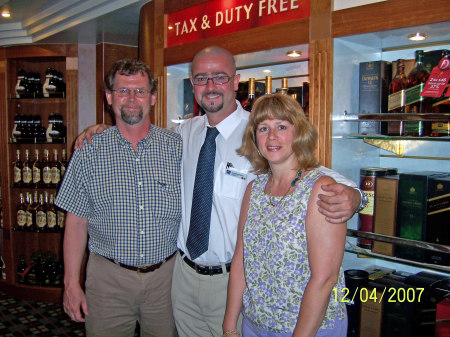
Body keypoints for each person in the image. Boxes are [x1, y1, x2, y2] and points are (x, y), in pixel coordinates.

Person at [74, 46, 363, 337]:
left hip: (233, 281)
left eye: (220, 77)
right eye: (201, 78)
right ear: (193, 85)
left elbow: (312, 171)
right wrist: (102, 129)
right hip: (182, 277)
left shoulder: (262, 132)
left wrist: (355, 195)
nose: (210, 86)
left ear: (236, 82)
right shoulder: (183, 134)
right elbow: (137, 132)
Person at [56, 59, 181, 337]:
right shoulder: (88, 151)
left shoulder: (177, 148)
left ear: (153, 97)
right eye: (123, 91)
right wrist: (71, 284)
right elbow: (75, 224)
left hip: (168, 279)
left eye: (139, 91)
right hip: (106, 279)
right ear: (110, 97)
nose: (132, 98)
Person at [223, 93, 347, 337]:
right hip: (255, 325)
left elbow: (324, 278)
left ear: (298, 132)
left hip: (309, 329)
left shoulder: (319, 188)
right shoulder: (255, 189)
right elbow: (241, 261)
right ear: (254, 137)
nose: (271, 137)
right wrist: (229, 326)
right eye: (263, 128)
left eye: (281, 126)